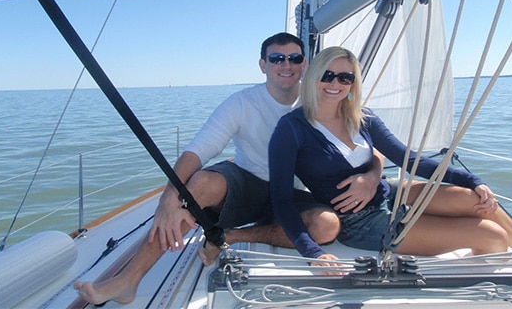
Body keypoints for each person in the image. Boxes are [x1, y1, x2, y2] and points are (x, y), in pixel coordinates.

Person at [74, 33, 383, 305]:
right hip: (249, 183)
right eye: (276, 58)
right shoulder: (242, 102)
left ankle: (228, 236)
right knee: (200, 184)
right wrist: (168, 197)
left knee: (328, 227)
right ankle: (129, 279)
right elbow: (198, 150)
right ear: (262, 65)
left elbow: (366, 146)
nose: (285, 65)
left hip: (296, 193)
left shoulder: (326, 97)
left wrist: (372, 176)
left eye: (294, 58)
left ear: (305, 65)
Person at [269, 46, 512, 267]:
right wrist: (312, 252)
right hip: (359, 223)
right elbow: (281, 199)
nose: (335, 83)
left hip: (389, 193)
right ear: (313, 76)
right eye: (327, 75)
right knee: (493, 236)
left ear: (353, 84)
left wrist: (472, 180)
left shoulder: (363, 118)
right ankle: (497, 258)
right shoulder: (292, 128)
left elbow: (410, 160)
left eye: (345, 78)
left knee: (475, 199)